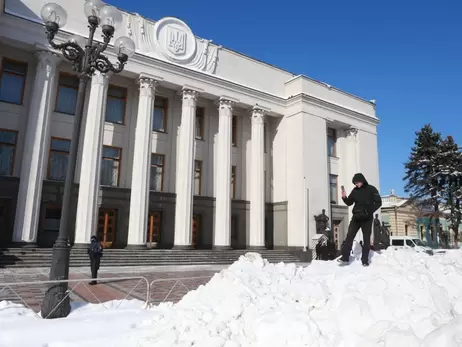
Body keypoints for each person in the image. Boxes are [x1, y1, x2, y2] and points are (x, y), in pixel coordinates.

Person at [340, 173, 382, 266]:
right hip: (356, 218)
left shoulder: (372, 189)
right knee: (349, 236)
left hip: (367, 219)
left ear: (362, 180)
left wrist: (368, 211)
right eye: (355, 183)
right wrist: (344, 197)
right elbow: (349, 203)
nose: (356, 185)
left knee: (366, 239)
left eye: (358, 182)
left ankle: (365, 260)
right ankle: (345, 257)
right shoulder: (355, 191)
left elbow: (379, 202)